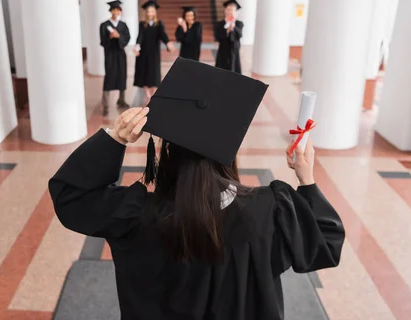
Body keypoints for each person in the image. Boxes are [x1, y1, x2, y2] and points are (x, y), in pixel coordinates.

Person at [49, 58, 345, 320]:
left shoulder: (135, 217)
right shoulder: (270, 212)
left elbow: (72, 196)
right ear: (229, 152)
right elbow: (326, 245)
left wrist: (114, 139)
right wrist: (306, 178)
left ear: (167, 153)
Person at [134, 0, 174, 105]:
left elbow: (163, 35)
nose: (150, 14)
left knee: (154, 73)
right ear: (146, 13)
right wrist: (137, 45)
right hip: (143, 53)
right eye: (148, 12)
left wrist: (168, 42)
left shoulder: (159, 24)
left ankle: (153, 93)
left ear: (155, 12)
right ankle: (147, 94)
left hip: (154, 53)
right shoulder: (142, 24)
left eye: (152, 11)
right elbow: (140, 36)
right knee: (144, 73)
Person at [100, 0, 131, 117]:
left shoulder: (123, 25)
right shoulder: (104, 25)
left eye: (118, 10)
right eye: (114, 10)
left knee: (122, 76)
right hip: (110, 55)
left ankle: (121, 100)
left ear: (120, 12)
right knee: (109, 78)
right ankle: (106, 105)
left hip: (120, 54)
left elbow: (127, 38)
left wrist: (119, 37)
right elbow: (103, 42)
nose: (116, 12)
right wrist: (110, 37)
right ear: (110, 11)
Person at [215, 0, 244, 73]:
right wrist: (227, 30)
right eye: (228, 9)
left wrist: (233, 27)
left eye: (232, 10)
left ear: (235, 12)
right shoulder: (220, 23)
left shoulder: (239, 23)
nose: (229, 12)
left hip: (234, 50)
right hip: (223, 49)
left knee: (234, 69)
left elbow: (239, 35)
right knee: (221, 70)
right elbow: (217, 37)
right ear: (225, 10)